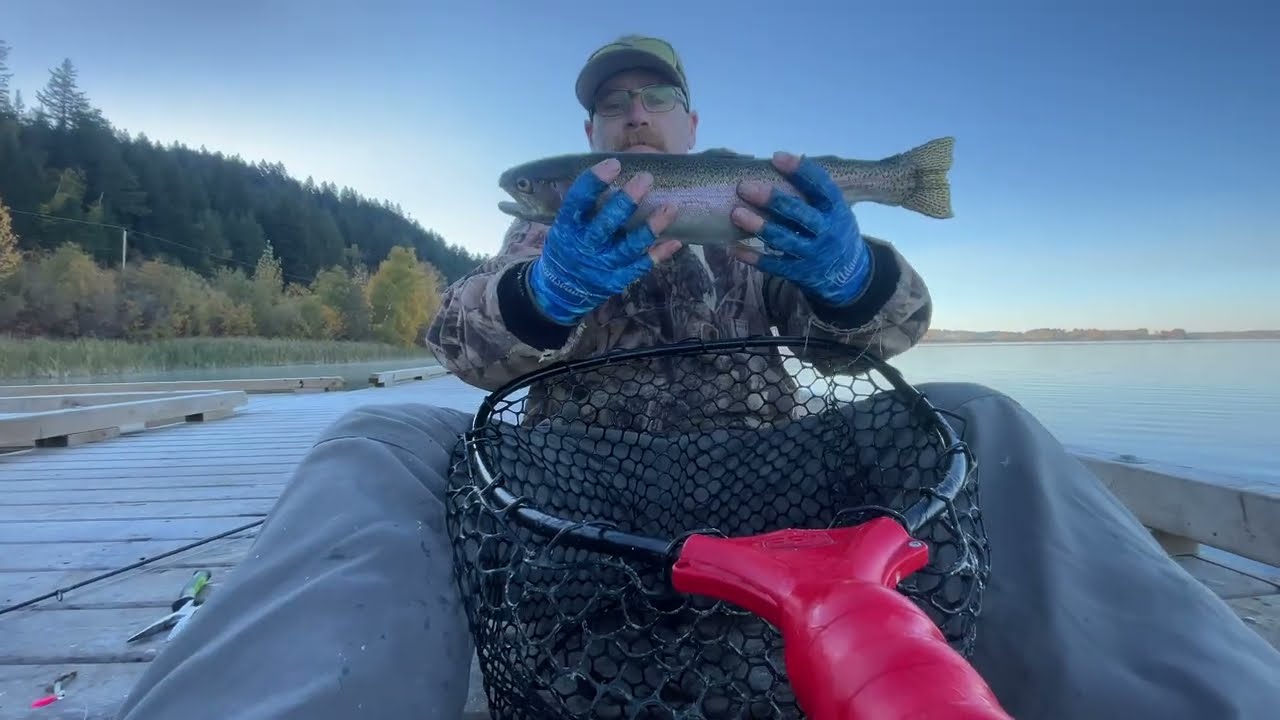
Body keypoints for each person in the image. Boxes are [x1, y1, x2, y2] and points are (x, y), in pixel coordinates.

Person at [116, 34, 1280, 720]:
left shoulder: (750, 224)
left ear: (689, 123)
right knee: (382, 442)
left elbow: (890, 335)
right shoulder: (543, 238)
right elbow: (464, 345)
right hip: (586, 498)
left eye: (649, 100)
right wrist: (547, 291)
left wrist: (848, 266)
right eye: (609, 106)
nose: (631, 114)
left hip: (778, 482)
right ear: (584, 142)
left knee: (982, 415)